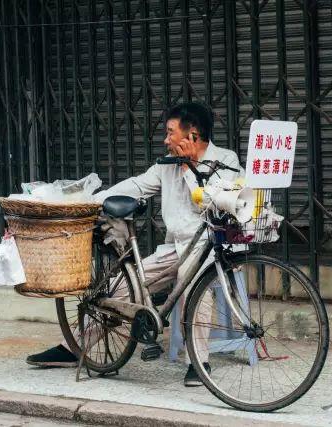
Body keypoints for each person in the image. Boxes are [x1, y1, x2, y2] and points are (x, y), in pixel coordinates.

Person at [26, 102, 243, 386]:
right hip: (173, 248)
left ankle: (198, 363)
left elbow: (216, 203)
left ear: (192, 136)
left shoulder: (225, 160)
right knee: (118, 290)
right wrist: (91, 201)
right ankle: (74, 347)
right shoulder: (166, 165)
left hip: (205, 248)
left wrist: (191, 167)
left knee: (194, 290)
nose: (165, 140)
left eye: (170, 132)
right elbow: (138, 185)